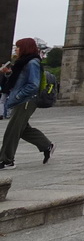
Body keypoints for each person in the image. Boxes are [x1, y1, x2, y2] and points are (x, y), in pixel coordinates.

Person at [0, 38, 55, 169]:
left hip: (26, 100)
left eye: (18, 47)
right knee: (22, 129)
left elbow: (33, 85)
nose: (16, 49)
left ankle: (7, 160)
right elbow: (20, 81)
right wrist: (8, 74)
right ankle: (46, 145)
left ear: (25, 48)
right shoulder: (23, 63)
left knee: (12, 130)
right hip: (22, 100)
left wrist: (19, 95)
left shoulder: (32, 63)